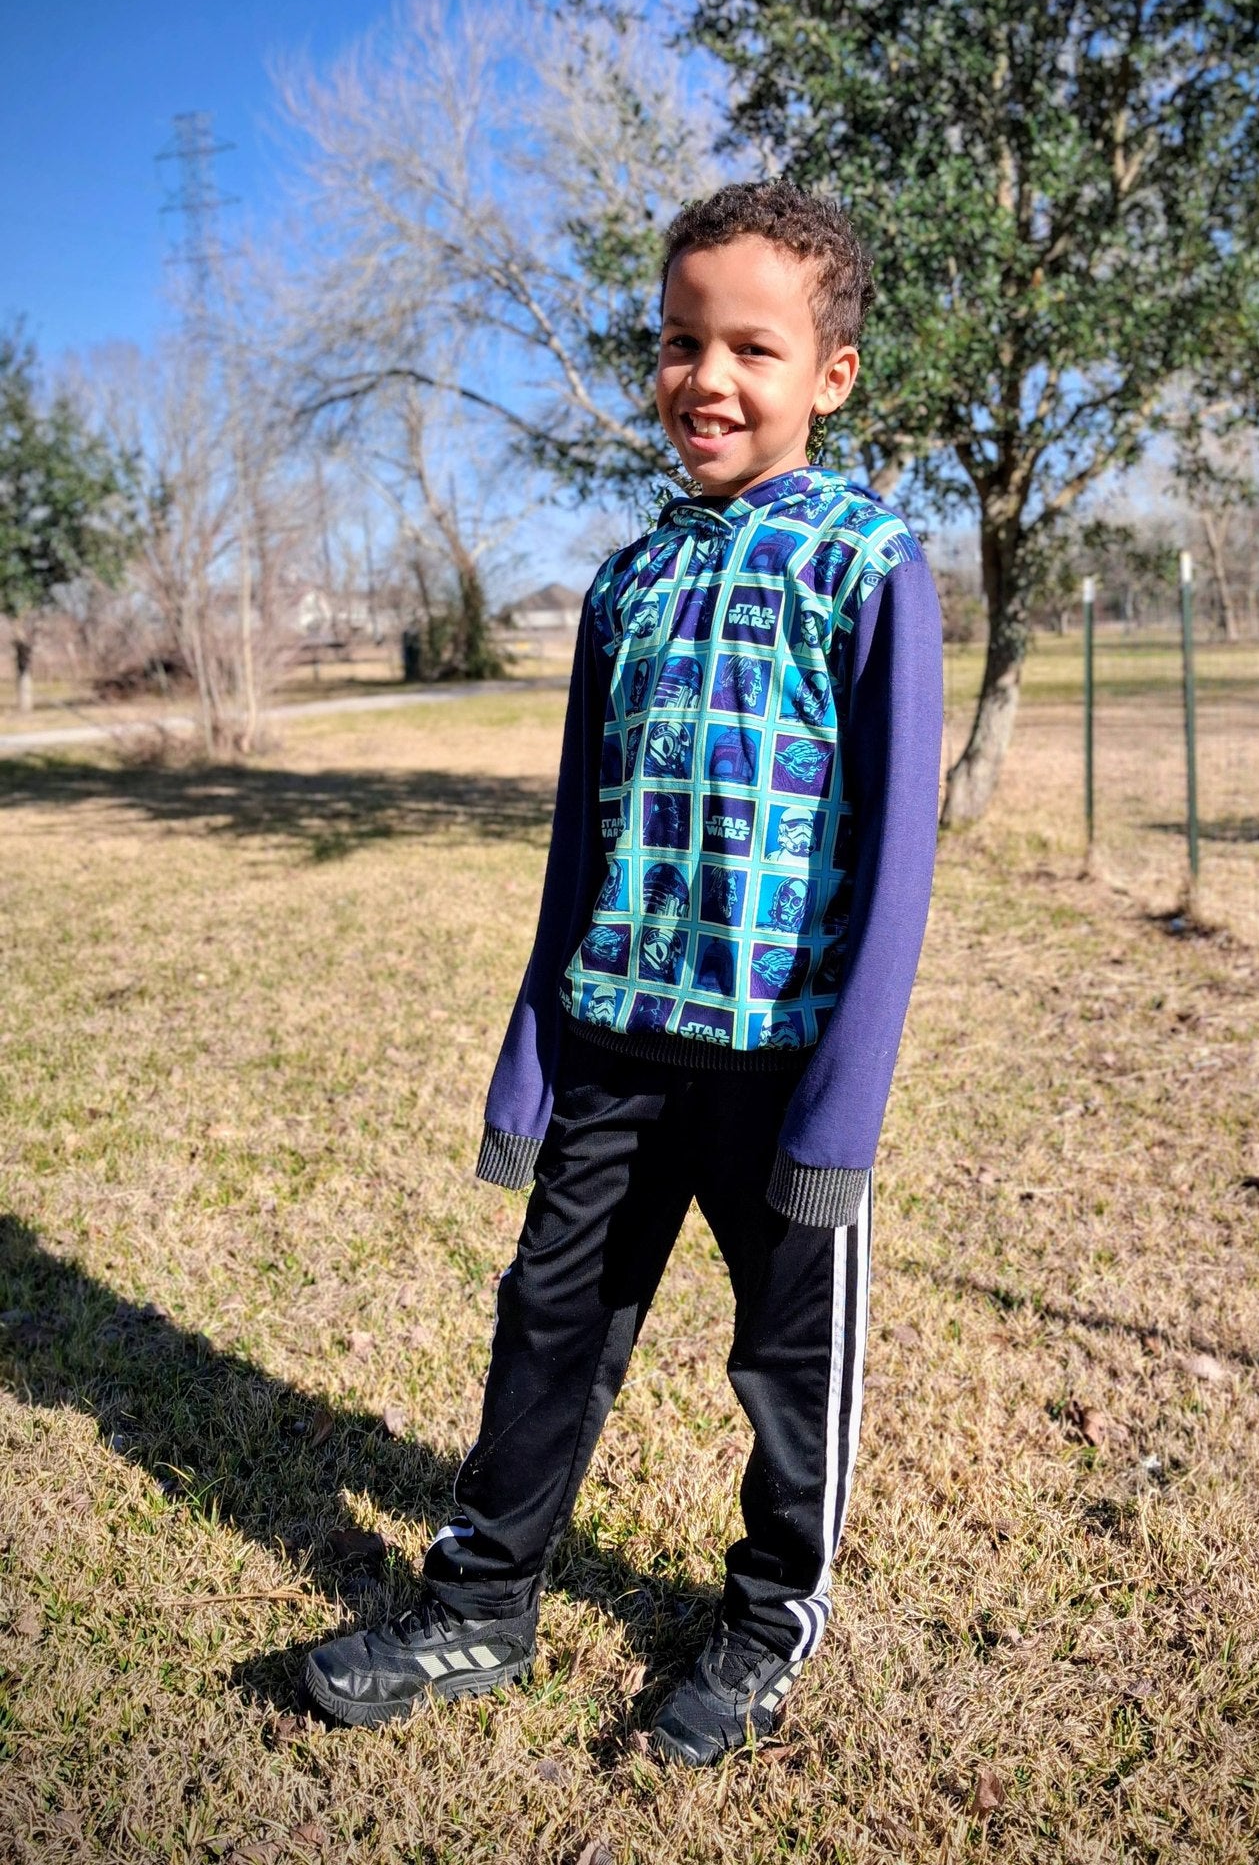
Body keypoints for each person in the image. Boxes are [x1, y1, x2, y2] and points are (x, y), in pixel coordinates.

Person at [304, 180, 944, 1765]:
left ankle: (766, 1620)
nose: (706, 378)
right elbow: (576, 848)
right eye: (678, 341)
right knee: (548, 1324)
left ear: (831, 376)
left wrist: (841, 1111)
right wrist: (530, 1061)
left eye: (753, 349)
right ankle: (479, 1603)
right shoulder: (624, 585)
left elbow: (900, 863)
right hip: (611, 1048)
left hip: (782, 1067)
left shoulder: (868, 566)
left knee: (786, 1364)